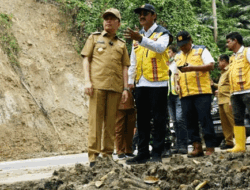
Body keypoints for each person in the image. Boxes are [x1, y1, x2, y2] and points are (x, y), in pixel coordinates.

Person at [124, 4, 173, 164]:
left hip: (158, 83)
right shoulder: (137, 37)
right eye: (140, 14)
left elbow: (159, 48)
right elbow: (133, 60)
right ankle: (143, 152)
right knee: (142, 120)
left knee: (159, 119)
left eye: (145, 13)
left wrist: (140, 38)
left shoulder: (162, 33)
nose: (142, 16)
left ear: (154, 16)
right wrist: (130, 81)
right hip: (141, 83)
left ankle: (157, 153)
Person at [81, 8, 130, 167]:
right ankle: (93, 156)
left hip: (115, 88)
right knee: (95, 121)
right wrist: (87, 81)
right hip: (97, 86)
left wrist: (125, 88)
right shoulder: (94, 38)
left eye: (112, 18)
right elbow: (86, 60)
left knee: (110, 123)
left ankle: (107, 154)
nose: (108, 21)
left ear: (118, 23)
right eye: (106, 18)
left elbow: (124, 67)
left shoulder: (121, 44)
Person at [174, 31, 217, 157]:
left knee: (205, 119)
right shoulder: (178, 56)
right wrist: (176, 83)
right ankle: (196, 147)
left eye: (185, 44)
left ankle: (210, 147)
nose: (183, 47)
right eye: (180, 45)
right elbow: (176, 72)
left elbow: (211, 65)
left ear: (190, 41)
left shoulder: (201, 50)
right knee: (190, 121)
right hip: (185, 94)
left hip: (201, 92)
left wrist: (193, 68)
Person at [226, 32, 250, 153]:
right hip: (235, 93)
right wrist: (231, 95)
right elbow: (231, 76)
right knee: (237, 118)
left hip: (248, 90)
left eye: (228, 41)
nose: (227, 44)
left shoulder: (247, 52)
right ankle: (240, 145)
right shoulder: (232, 58)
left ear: (235, 40)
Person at [167, 45, 188, 154]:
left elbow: (177, 74)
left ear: (174, 53)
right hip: (169, 95)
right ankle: (178, 145)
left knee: (180, 119)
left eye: (169, 52)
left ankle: (184, 144)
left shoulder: (177, 61)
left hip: (178, 93)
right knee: (174, 121)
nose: (168, 54)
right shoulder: (166, 63)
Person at [213, 54, 235, 150]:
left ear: (223, 61)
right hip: (221, 100)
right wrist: (213, 85)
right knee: (224, 123)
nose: (218, 64)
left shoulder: (230, 70)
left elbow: (232, 84)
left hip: (227, 99)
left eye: (219, 62)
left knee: (232, 121)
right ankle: (229, 141)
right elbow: (222, 86)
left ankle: (239, 140)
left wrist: (231, 99)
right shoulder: (222, 73)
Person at [115, 90, 136, 159]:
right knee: (119, 128)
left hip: (132, 102)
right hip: (120, 101)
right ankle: (120, 151)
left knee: (130, 128)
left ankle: (128, 150)